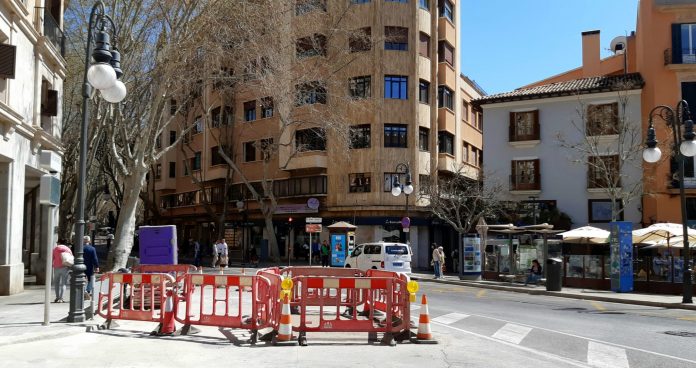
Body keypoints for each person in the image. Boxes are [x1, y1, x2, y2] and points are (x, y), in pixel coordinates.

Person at [83, 236, 99, 300]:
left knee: (82, 279)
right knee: (90, 279)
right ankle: (88, 291)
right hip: (89, 266)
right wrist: (97, 266)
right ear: (89, 241)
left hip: (80, 266)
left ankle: (84, 291)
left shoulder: (79, 248)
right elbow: (94, 258)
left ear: (83, 241)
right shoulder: (92, 249)